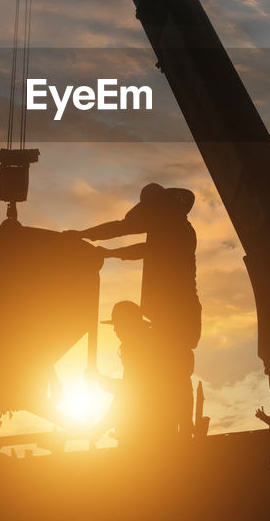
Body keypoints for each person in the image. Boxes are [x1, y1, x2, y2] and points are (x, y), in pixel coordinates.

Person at [70, 184, 201, 435]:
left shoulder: (179, 231)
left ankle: (182, 429)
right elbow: (121, 227)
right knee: (164, 373)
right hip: (169, 317)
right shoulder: (164, 226)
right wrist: (83, 234)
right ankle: (175, 426)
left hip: (180, 316)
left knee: (173, 371)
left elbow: (145, 249)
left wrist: (109, 252)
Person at [89, 301, 183, 446]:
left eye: (117, 325)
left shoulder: (140, 348)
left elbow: (130, 392)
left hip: (147, 434)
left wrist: (99, 380)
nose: (115, 330)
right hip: (151, 430)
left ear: (128, 324)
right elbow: (125, 396)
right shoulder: (145, 344)